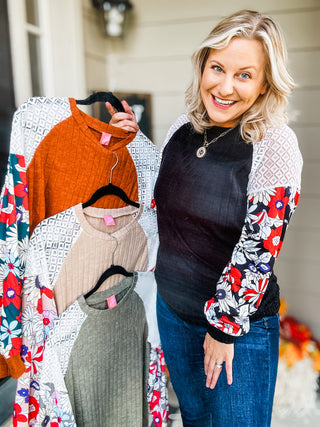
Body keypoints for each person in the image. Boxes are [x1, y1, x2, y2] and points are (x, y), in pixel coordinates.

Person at [106, 9, 303, 427]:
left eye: (244, 75)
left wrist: (223, 330)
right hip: (173, 310)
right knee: (195, 419)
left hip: (237, 332)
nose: (225, 86)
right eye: (217, 68)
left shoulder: (275, 145)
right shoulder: (184, 127)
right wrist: (133, 140)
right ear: (202, 65)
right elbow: (165, 194)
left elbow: (258, 250)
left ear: (266, 83)